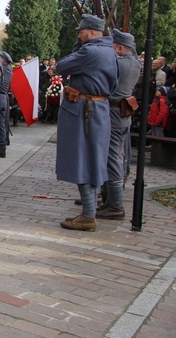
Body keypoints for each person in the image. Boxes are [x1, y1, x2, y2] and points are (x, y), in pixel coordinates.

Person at [57, 14, 118, 231]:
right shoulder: (109, 50)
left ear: (92, 32)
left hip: (84, 110)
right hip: (97, 109)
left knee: (81, 159)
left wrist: (77, 47)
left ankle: (88, 215)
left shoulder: (89, 51)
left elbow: (61, 66)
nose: (79, 35)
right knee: (92, 159)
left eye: (81, 32)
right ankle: (88, 212)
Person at [96, 29, 141, 220]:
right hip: (123, 114)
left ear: (120, 48)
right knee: (115, 157)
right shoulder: (135, 63)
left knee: (112, 159)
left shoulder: (118, 63)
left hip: (113, 114)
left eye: (112, 46)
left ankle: (115, 205)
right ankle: (109, 200)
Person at [0, 51, 13, 158]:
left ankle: (0, 148)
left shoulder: (5, 69)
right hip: (3, 98)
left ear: (4, 60)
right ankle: (0, 147)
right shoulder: (8, 68)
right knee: (1, 124)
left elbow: (0, 86)